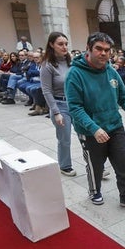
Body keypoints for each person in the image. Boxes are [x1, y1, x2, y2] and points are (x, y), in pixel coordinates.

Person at [65, 31, 125, 208]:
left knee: (123, 162)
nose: (103, 53)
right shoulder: (75, 74)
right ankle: (95, 191)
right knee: (95, 166)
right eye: (99, 49)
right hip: (91, 131)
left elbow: (122, 95)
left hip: (114, 125)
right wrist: (94, 128)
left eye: (107, 50)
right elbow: (75, 108)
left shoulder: (111, 71)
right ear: (88, 49)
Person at [40, 31, 76, 177]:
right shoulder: (47, 65)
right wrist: (56, 112)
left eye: (66, 44)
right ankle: (65, 165)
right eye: (60, 44)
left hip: (75, 103)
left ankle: (94, 164)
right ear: (51, 45)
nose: (64, 47)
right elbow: (46, 91)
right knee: (64, 139)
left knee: (86, 135)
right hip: (60, 105)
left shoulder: (71, 61)